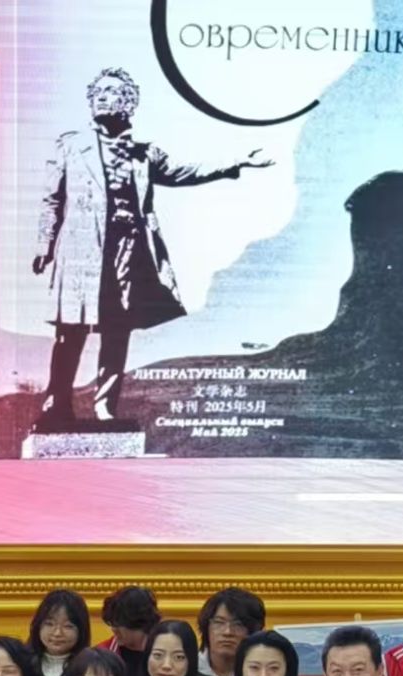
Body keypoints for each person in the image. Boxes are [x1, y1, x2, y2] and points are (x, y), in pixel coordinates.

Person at [31, 68, 272, 429]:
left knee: (117, 329)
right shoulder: (70, 145)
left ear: (129, 104)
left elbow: (183, 172)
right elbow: (52, 199)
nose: (102, 97)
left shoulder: (144, 155)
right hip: (80, 251)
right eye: (97, 92)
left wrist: (236, 162)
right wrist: (45, 244)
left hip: (128, 250)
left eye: (112, 92)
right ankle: (57, 405)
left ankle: (105, 408)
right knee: (70, 330)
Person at [26, 589, 93, 676]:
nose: (57, 633)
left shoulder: (89, 667)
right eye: (49, 624)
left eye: (68, 626)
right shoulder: (22, 664)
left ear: (81, 630)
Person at [197, 587, 264, 676]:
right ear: (206, 627)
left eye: (238, 624)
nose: (227, 632)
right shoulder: (186, 672)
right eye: (219, 622)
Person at [101, 586, 159, 676]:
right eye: (112, 623)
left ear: (140, 623)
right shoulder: (102, 655)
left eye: (120, 624)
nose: (114, 629)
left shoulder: (167, 654)